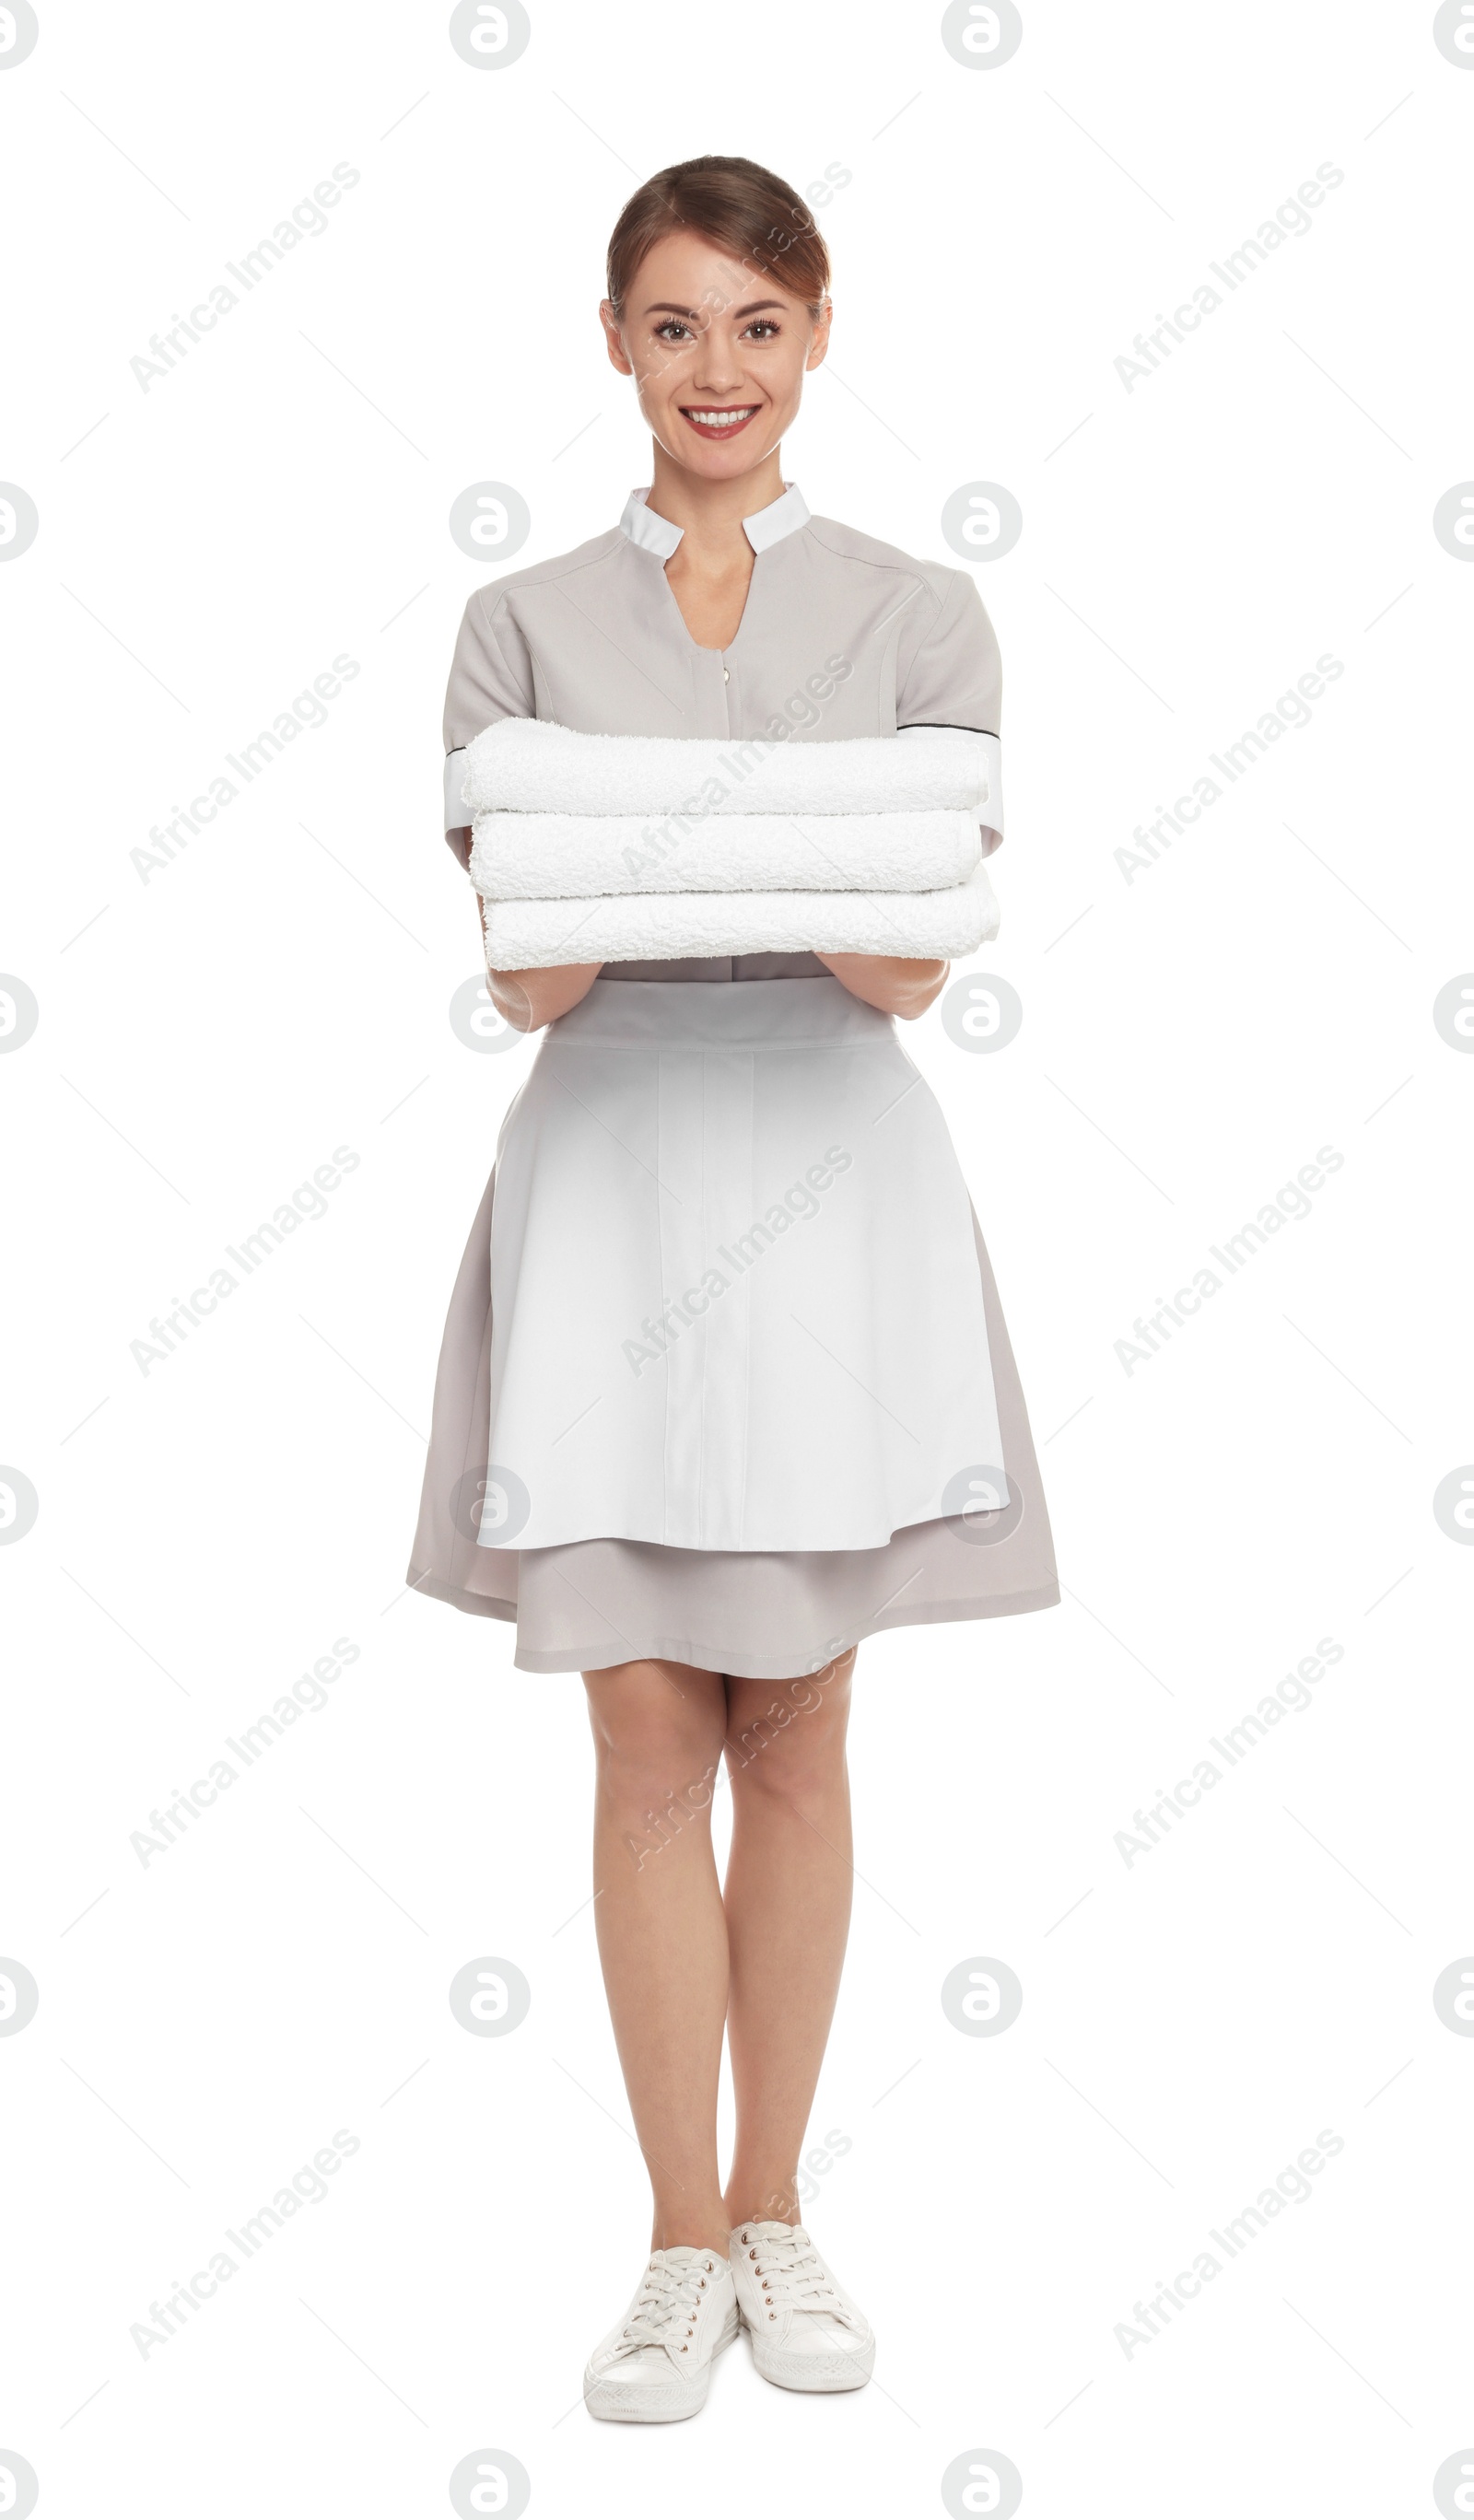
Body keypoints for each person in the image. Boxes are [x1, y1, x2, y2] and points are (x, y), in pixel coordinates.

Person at [408, 154, 1058, 2422]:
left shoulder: (913, 610)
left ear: (815, 337)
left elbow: (893, 957)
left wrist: (658, 835)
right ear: (613, 342)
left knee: (798, 1724)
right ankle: (670, 2239)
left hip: (828, 1180)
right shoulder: (514, 626)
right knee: (636, 1732)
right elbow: (541, 972)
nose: (716, 371)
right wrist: (771, 841)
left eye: (754, 326)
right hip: (610, 1186)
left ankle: (776, 2205)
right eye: (672, 325)